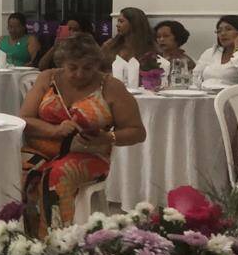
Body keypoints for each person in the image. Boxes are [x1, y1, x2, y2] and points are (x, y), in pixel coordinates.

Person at [20, 34, 145, 237]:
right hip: (41, 149)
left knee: (57, 175)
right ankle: (22, 236)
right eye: (73, 68)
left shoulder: (111, 87)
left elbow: (137, 132)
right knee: (16, 170)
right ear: (62, 64)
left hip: (89, 154)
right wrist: (54, 130)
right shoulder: (48, 78)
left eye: (88, 68)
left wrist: (108, 137)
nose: (79, 74)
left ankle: (56, 241)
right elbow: (25, 119)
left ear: (97, 64)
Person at [196, 15, 238, 86]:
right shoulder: (210, 52)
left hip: (233, 93)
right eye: (219, 31)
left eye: (228, 29)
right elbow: (196, 76)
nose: (222, 33)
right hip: (205, 92)